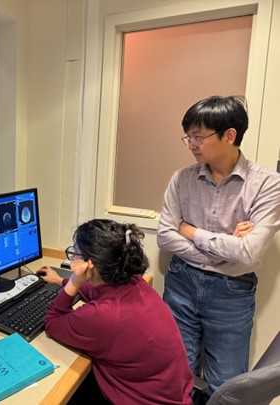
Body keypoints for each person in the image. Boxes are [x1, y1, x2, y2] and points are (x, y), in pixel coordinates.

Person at [157, 95, 280, 396]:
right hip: (181, 282)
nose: (192, 144)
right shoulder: (181, 179)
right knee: (175, 374)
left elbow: (248, 252)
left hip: (232, 293)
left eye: (199, 137)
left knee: (225, 387)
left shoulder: (267, 184)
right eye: (189, 137)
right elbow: (164, 235)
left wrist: (190, 230)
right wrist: (225, 249)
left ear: (229, 135)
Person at [40, 219, 193, 404]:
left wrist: (74, 281)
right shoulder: (135, 282)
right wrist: (60, 281)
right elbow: (101, 292)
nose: (72, 260)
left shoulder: (103, 316)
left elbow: (52, 321)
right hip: (170, 394)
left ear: (90, 266)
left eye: (75, 253)